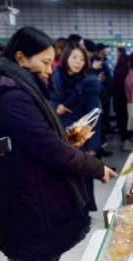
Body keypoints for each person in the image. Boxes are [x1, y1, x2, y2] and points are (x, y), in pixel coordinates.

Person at [0, 26, 116, 261]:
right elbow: (51, 150)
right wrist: (96, 167)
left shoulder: (22, 87)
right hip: (28, 196)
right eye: (45, 61)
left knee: (46, 260)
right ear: (21, 57)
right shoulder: (13, 98)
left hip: (34, 189)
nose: (50, 68)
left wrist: (68, 138)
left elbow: (41, 141)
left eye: (53, 61)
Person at [50, 42, 104, 225]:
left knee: (82, 175)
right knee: (61, 175)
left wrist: (94, 145)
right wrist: (54, 106)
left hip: (81, 137)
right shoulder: (53, 78)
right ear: (65, 58)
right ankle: (65, 210)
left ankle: (83, 212)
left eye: (82, 58)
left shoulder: (89, 83)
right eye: (74, 57)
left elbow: (95, 116)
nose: (78, 62)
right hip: (57, 134)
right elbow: (42, 101)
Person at [113, 52, 132, 151]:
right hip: (123, 100)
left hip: (118, 100)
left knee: (122, 121)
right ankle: (125, 142)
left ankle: (123, 140)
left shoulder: (117, 70)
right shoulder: (123, 72)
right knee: (125, 121)